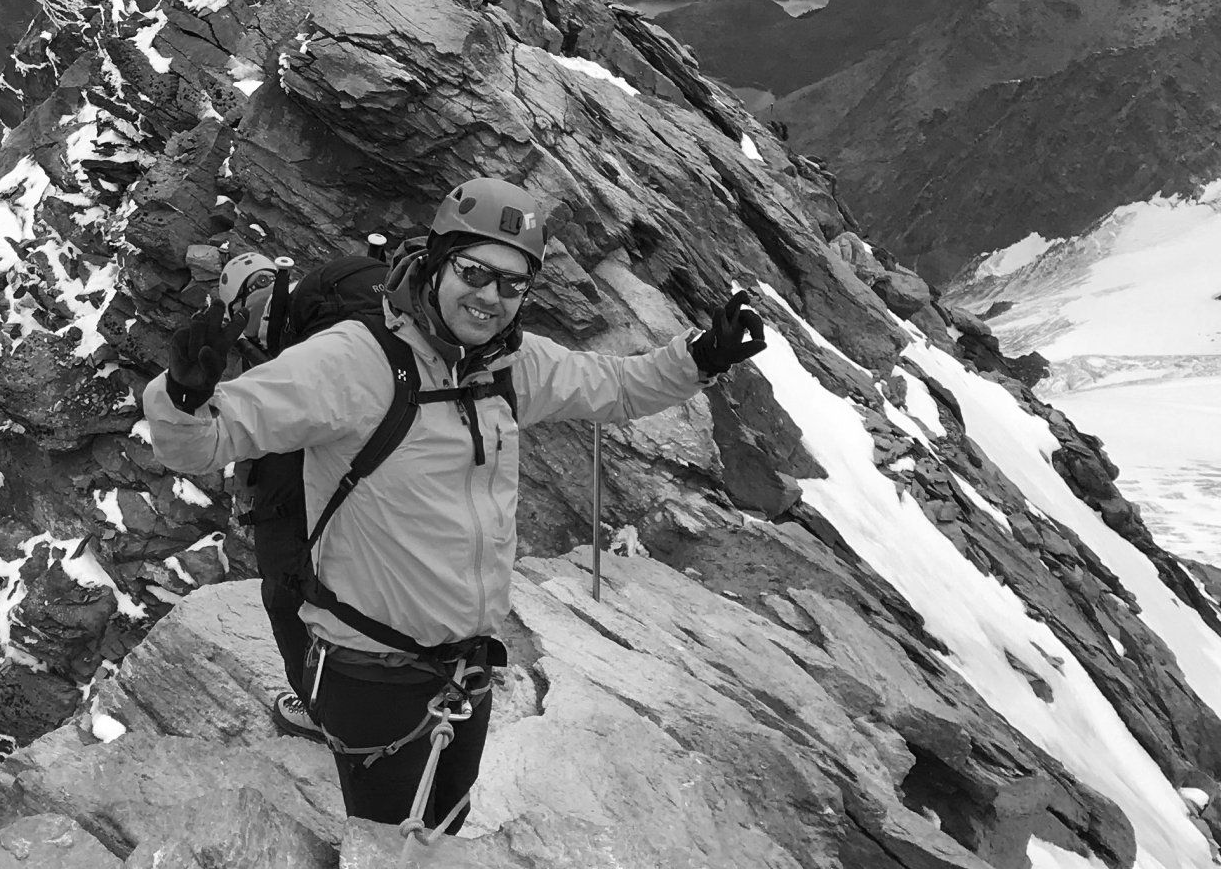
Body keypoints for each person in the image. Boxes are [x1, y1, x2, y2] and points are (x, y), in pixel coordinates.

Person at [143, 181, 766, 830]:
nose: (490, 296)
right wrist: (185, 397)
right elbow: (212, 439)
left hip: (467, 666)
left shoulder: (507, 367)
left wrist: (702, 355)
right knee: (385, 849)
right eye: (474, 271)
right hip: (370, 673)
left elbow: (612, 387)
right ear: (437, 261)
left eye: (512, 284)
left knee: (446, 821)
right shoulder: (357, 361)